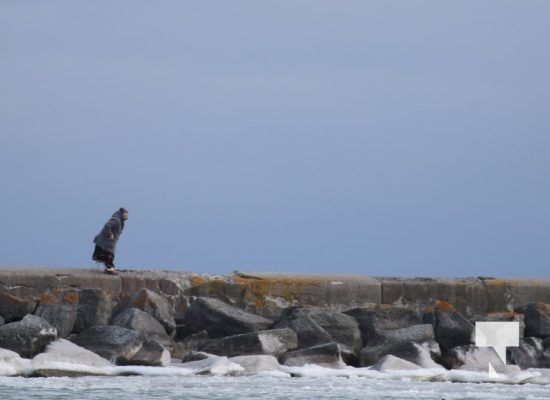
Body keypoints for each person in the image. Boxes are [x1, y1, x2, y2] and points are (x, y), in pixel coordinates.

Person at [92, 207, 128, 274]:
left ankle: (107, 267)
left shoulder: (120, 221)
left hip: (107, 241)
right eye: (125, 216)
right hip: (107, 241)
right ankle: (109, 269)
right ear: (121, 214)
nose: (127, 218)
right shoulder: (116, 220)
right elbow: (107, 225)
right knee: (110, 254)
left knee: (106, 254)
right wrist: (111, 234)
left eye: (127, 216)